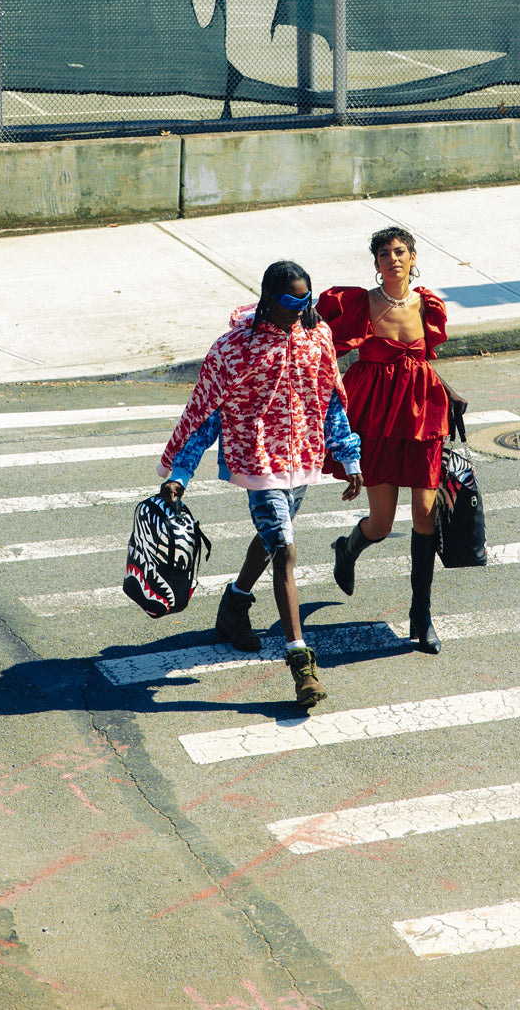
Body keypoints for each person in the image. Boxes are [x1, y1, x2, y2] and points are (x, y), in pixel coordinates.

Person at [157, 260, 363, 708]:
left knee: (272, 539)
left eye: (306, 300)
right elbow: (206, 414)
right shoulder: (233, 348)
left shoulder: (317, 336)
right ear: (268, 297)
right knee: (286, 549)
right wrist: (180, 474)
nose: (300, 308)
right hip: (259, 461)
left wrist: (348, 456)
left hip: (303, 459)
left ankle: (234, 606)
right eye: (291, 301)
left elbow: (330, 401)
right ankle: (301, 664)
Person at [315, 226, 450, 654]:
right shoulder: (360, 303)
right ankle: (348, 548)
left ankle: (421, 614)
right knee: (382, 523)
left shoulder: (428, 304)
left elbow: (427, 359)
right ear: (375, 265)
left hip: (422, 413)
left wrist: (447, 394)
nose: (392, 258)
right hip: (374, 415)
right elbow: (318, 340)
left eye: (399, 251)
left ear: (413, 258)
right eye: (383, 254)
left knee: (425, 514)